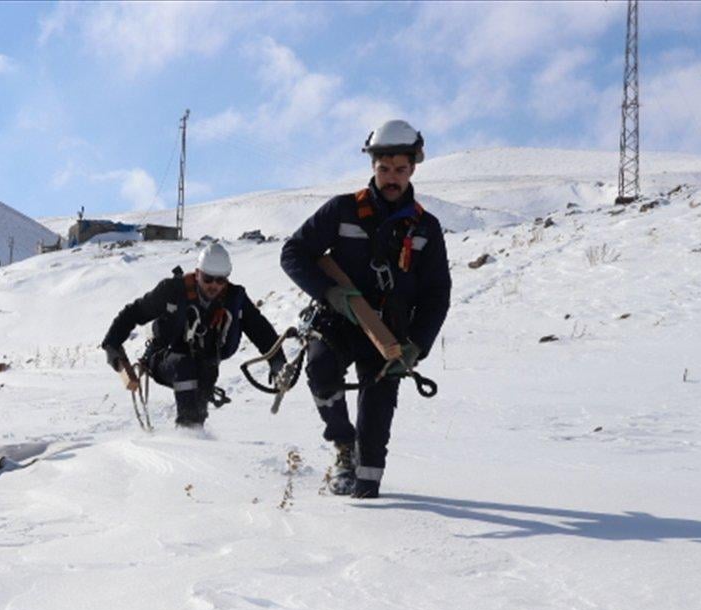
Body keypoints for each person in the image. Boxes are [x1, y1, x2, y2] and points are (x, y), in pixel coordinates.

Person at [280, 119, 450, 498]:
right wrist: (329, 293)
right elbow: (293, 254)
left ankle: (366, 473)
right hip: (337, 320)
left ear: (414, 167)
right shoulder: (341, 211)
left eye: (400, 170)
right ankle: (343, 446)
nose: (392, 178)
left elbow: (437, 293)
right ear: (373, 166)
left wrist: (416, 345)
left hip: (389, 335)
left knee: (371, 462)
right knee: (322, 369)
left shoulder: (426, 229)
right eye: (384, 169)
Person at [102, 241, 286, 428]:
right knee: (185, 366)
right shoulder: (172, 291)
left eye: (220, 280)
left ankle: (195, 438)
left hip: (205, 363)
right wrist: (112, 349)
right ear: (197, 274)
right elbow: (132, 313)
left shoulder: (235, 299)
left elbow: (262, 331)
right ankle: (187, 434)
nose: (213, 285)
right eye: (207, 279)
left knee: (202, 390)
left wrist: (278, 363)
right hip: (163, 358)